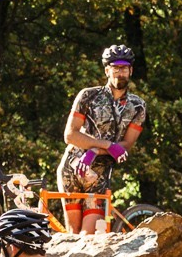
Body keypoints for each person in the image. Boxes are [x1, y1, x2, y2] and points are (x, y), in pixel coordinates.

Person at [58, 43, 148, 234]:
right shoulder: (88, 96)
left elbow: (126, 145)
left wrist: (96, 150)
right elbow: (70, 135)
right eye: (115, 68)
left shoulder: (138, 106)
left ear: (130, 71)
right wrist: (106, 144)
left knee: (88, 236)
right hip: (73, 169)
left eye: (124, 68)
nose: (120, 73)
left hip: (99, 174)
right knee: (73, 235)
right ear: (107, 70)